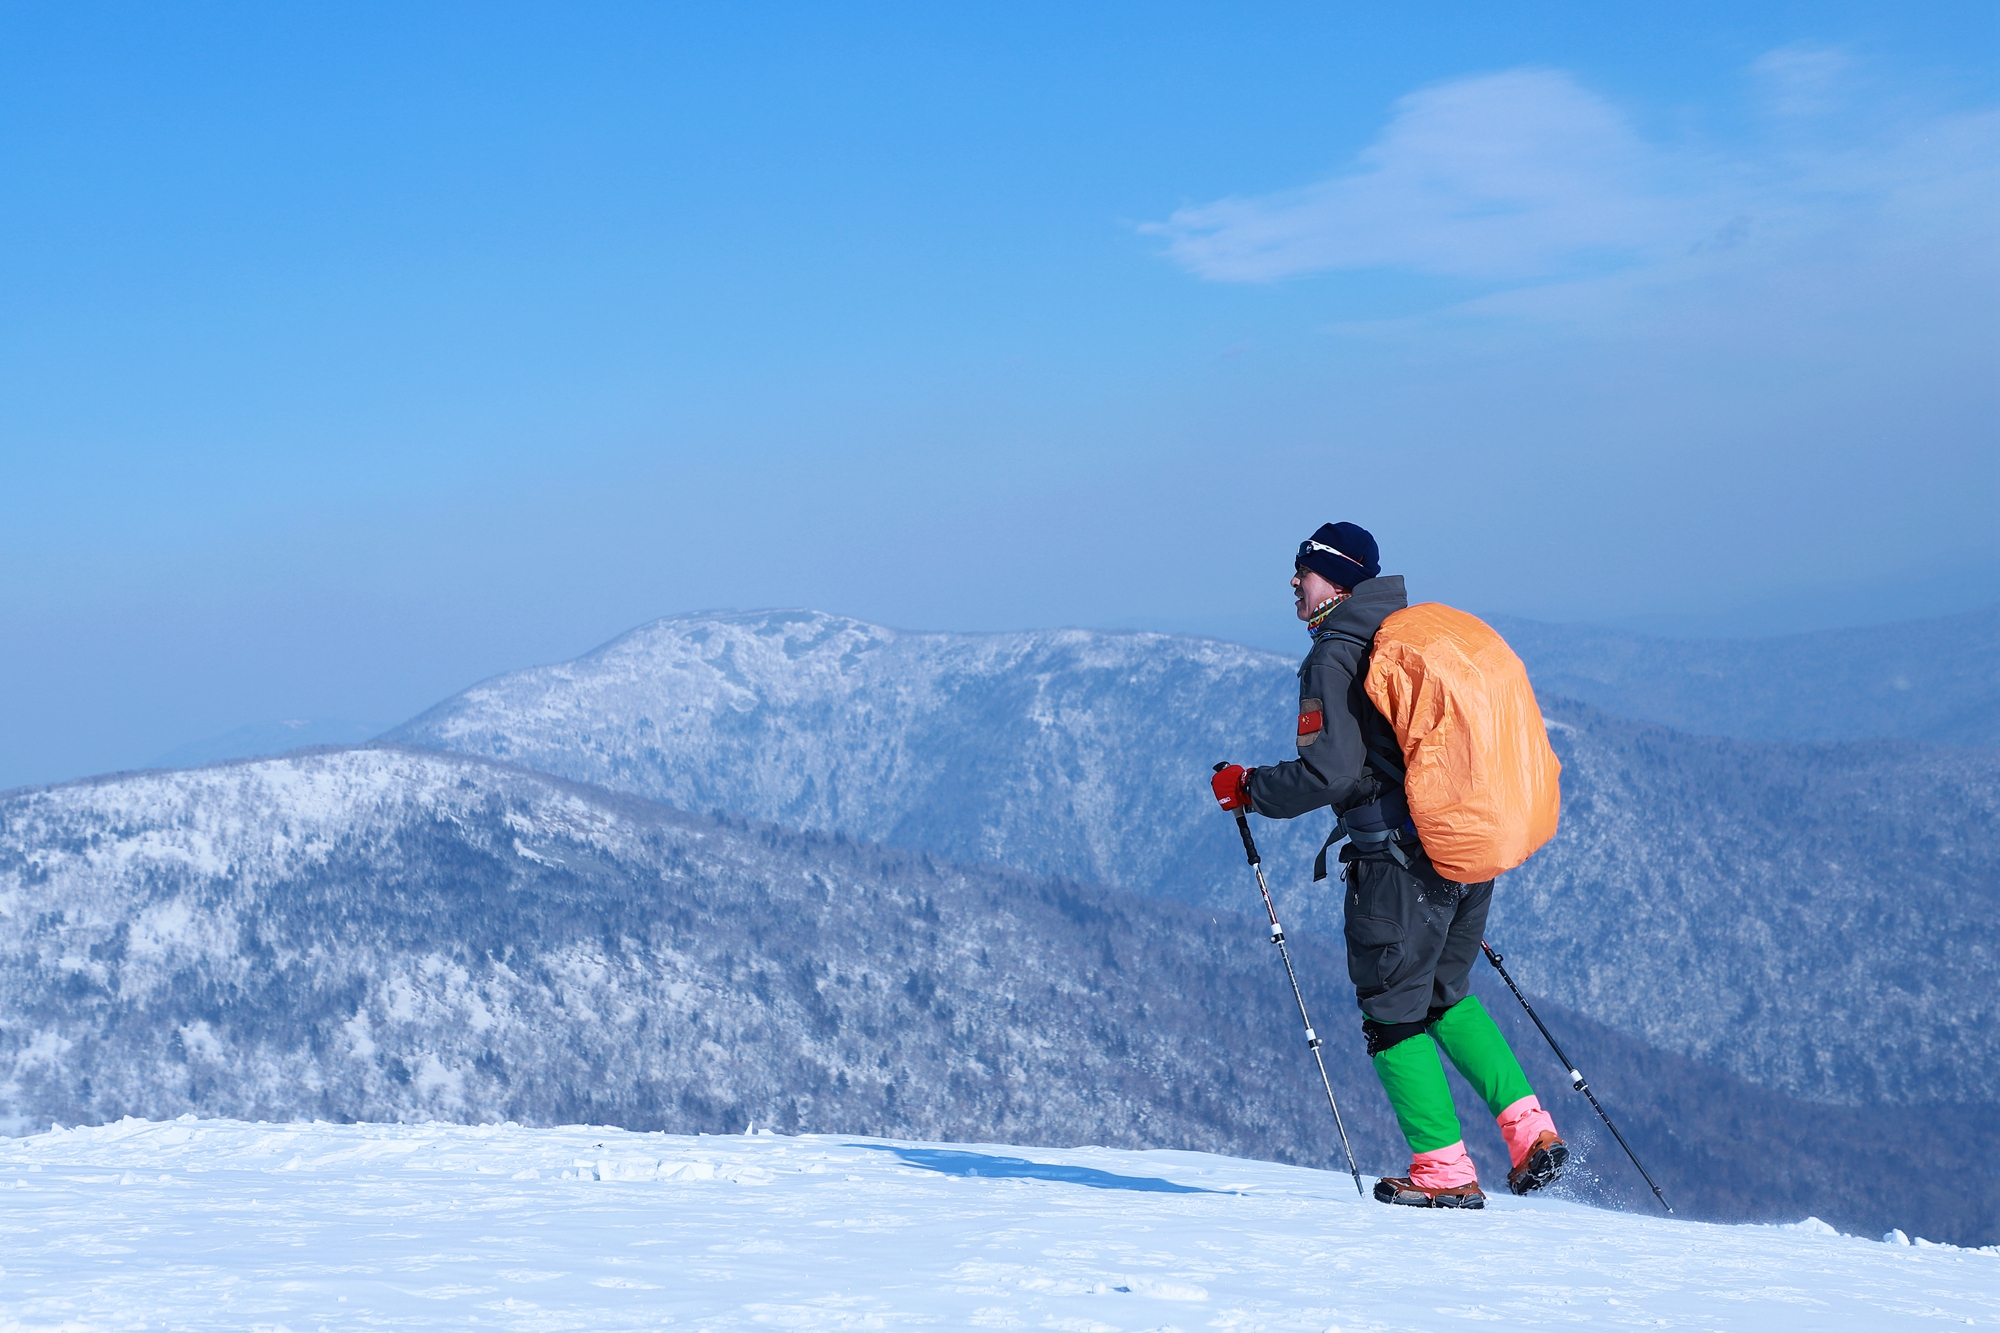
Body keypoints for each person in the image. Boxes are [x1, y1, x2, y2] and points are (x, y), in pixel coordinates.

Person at [1209, 521, 1567, 1209]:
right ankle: (1532, 1132)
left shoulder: (1336, 656)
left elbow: (1331, 771)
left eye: (1304, 570)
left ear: (1336, 581)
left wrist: (1249, 788)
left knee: (1392, 1013)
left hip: (1398, 868)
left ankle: (1443, 1170)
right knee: (1445, 995)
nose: (1293, 581)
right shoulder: (1407, 636)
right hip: (1463, 853)